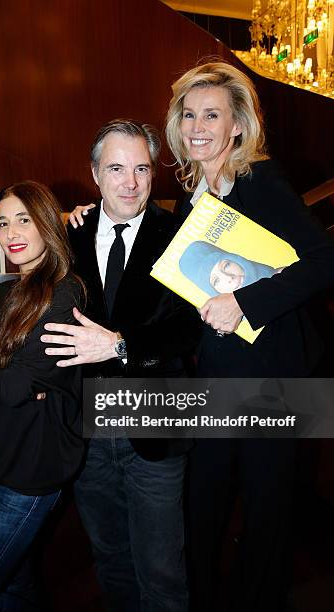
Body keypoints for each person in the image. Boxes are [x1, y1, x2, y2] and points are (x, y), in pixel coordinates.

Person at [164, 61, 334, 612]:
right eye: (189, 114)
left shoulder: (262, 181)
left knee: (266, 510)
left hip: (273, 376)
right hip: (215, 374)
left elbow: (325, 260)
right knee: (203, 500)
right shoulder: (191, 194)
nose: (197, 126)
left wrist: (244, 302)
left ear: (237, 125)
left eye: (211, 114)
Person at [41, 119, 201, 611]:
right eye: (116, 168)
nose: (130, 183)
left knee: (162, 569)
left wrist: (120, 345)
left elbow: (187, 328)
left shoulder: (178, 235)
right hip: (86, 429)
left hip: (152, 421)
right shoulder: (69, 234)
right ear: (95, 173)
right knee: (109, 557)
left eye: (141, 169)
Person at [0, 181, 85, 611]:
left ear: (46, 223)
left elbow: (10, 387)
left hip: (28, 478)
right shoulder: (1, 294)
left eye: (24, 219)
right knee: (12, 588)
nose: (12, 233)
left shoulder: (65, 291)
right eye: (3, 223)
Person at [179, 240, 282, 296]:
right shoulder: (235, 324)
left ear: (235, 259)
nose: (229, 278)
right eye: (216, 281)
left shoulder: (279, 276)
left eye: (226, 265)